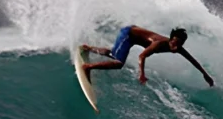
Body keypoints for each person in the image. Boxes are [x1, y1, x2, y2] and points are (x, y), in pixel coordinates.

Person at [81, 26, 214, 86]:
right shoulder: (159, 44)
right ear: (171, 39)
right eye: (176, 42)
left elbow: (193, 60)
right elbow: (142, 56)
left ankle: (89, 48)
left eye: (181, 44)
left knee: (114, 53)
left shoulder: (178, 48)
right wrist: (142, 74)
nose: (177, 46)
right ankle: (88, 67)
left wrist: (205, 75)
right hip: (128, 34)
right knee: (119, 63)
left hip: (132, 37)